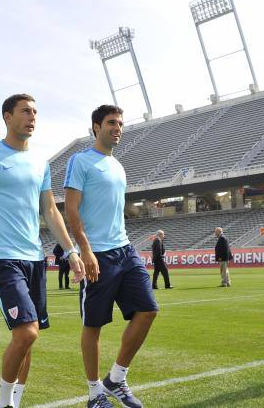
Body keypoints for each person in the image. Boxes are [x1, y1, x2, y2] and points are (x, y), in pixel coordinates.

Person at [0, 93, 84, 408]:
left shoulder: (39, 163)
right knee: (27, 333)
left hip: (35, 259)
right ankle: (4, 404)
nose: (32, 117)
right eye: (25, 111)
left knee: (29, 338)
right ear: (7, 116)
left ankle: (15, 402)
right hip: (2, 258)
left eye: (35, 112)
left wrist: (71, 252)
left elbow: (50, 211)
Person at [65, 105, 158, 408]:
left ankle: (116, 379)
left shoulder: (119, 166)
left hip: (125, 250)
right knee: (93, 326)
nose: (117, 128)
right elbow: (71, 209)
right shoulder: (81, 161)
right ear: (96, 127)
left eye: (120, 123)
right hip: (98, 255)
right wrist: (86, 250)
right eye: (111, 123)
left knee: (147, 311)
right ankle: (94, 395)